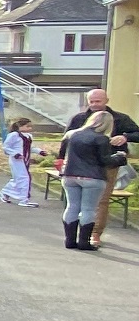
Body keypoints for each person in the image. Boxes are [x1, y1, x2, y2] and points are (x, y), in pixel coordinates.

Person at [65, 89, 139, 247]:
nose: (94, 105)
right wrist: (61, 159)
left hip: (107, 165)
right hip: (79, 164)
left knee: (101, 201)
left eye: (98, 101)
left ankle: (94, 234)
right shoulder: (79, 118)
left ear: (106, 100)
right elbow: (66, 140)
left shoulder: (120, 118)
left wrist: (125, 137)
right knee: (76, 204)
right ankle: (74, 237)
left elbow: (137, 133)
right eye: (91, 101)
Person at [59, 111, 124, 251]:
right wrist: (120, 157)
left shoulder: (71, 134)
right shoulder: (101, 139)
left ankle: (69, 240)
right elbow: (105, 161)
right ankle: (84, 242)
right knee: (88, 209)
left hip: (70, 175)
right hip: (92, 177)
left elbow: (62, 154)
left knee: (72, 207)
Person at [0, 118, 38, 207]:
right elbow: (6, 147)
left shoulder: (29, 136)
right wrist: (15, 154)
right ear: (20, 126)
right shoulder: (14, 135)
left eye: (30, 126)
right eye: (27, 126)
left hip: (25, 159)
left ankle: (4, 193)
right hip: (16, 160)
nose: (30, 128)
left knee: (18, 178)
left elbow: (30, 147)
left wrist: (40, 151)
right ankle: (23, 199)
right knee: (24, 178)